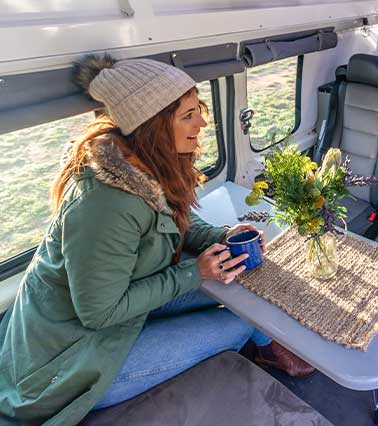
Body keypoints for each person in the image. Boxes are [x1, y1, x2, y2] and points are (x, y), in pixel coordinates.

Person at [0, 56, 314, 425]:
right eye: (187, 115)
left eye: (199, 108)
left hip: (123, 307)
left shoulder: (146, 163)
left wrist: (222, 238)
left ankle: (268, 347)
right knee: (240, 321)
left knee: (246, 283)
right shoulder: (103, 204)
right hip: (74, 357)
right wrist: (195, 274)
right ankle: (263, 348)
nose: (202, 121)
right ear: (153, 126)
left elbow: (179, 223)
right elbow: (99, 314)